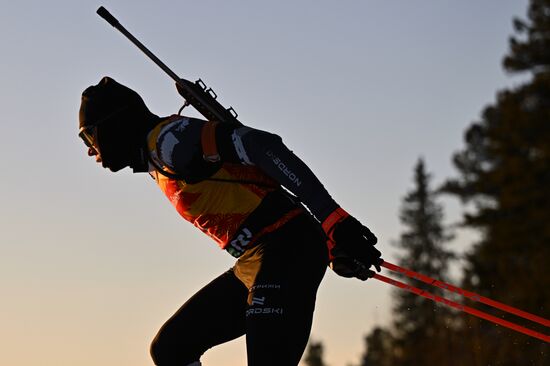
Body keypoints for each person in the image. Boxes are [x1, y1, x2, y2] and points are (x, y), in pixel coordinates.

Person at [78, 76, 382, 366]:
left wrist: (333, 220)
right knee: (171, 349)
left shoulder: (170, 142)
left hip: (283, 249)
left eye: (90, 136)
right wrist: (329, 245)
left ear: (113, 126)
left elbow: (264, 147)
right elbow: (260, 194)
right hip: (258, 258)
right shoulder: (158, 157)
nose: (90, 149)